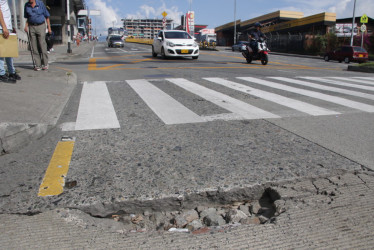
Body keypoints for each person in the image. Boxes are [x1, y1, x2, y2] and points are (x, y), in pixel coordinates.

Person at [24, 0, 51, 71]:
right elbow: (28, 17)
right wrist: (26, 26)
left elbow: (47, 16)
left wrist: (49, 27)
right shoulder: (26, 5)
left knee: (42, 44)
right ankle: (38, 64)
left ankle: (45, 63)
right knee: (34, 46)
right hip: (31, 26)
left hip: (41, 26)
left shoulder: (40, 4)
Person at [0, 0, 21, 83]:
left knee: (9, 52)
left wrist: (10, 26)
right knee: (1, 52)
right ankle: (1, 74)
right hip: (2, 27)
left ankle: (11, 72)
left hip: (7, 25)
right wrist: (4, 27)